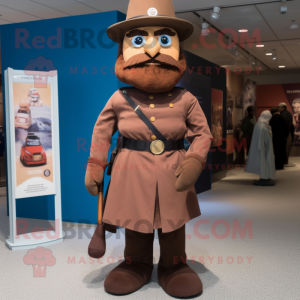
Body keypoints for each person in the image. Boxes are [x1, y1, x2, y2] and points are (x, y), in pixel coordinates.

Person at [84, 0, 212, 298]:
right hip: (130, 170)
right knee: (135, 221)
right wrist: (95, 165)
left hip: (174, 170)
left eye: (164, 40)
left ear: (177, 50)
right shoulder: (119, 98)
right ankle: (136, 263)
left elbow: (203, 134)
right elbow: (101, 133)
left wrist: (194, 159)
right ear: (124, 51)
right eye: (140, 40)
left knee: (173, 223)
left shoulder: (186, 98)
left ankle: (174, 265)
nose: (153, 50)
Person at [245, 110, 276, 186]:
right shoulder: (261, 126)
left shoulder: (264, 125)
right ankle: (264, 177)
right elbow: (260, 139)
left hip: (265, 147)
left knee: (266, 162)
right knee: (263, 162)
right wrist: (262, 148)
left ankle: (266, 176)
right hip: (262, 148)